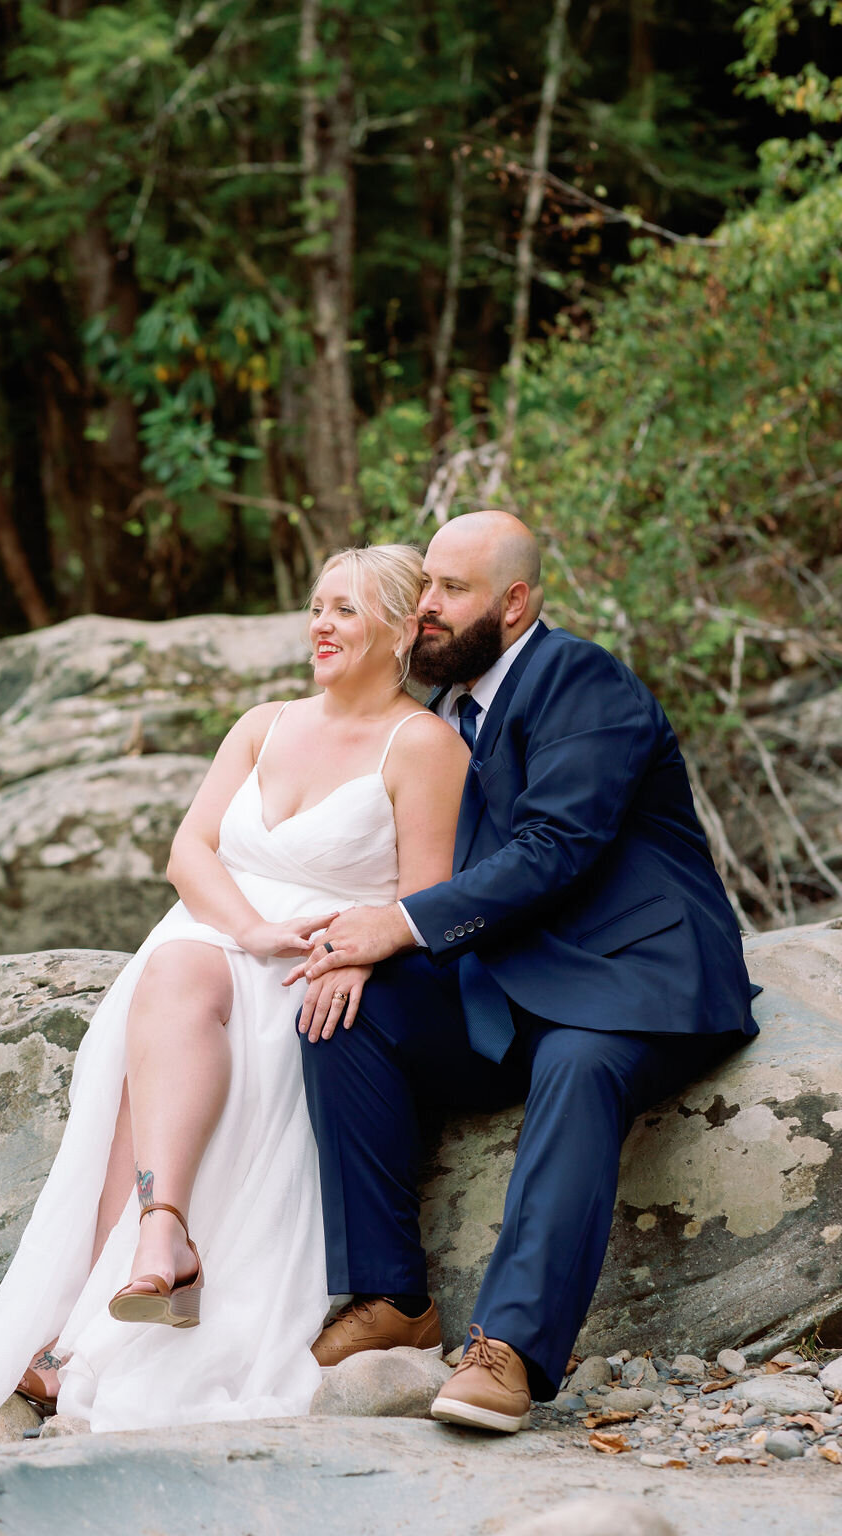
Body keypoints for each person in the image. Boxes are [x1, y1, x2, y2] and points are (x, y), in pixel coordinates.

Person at [0, 544, 469, 1436]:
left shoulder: (425, 746)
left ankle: (82, 1336)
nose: (319, 626)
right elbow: (189, 852)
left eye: (345, 610)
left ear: (404, 629)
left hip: (313, 968)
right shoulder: (265, 722)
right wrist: (246, 928)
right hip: (220, 939)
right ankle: (163, 1232)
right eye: (317, 606)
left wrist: (354, 955)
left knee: (167, 1063)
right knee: (171, 974)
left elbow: (424, 900)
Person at [296, 510, 759, 1435]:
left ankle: (506, 1349)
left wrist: (399, 923)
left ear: (513, 604)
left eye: (450, 590)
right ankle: (391, 1296)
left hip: (630, 974)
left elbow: (557, 846)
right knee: (346, 1007)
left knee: (579, 1065)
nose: (424, 607)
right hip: (509, 988)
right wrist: (349, 943)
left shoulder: (579, 678)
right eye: (424, 584)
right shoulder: (439, 718)